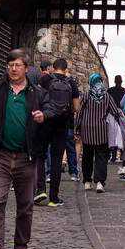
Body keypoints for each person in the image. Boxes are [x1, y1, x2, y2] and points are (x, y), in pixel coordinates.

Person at [0, 53, 45, 249]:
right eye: (10, 65)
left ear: (26, 68)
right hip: (0, 155)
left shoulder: (37, 93)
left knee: (25, 204)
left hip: (25, 157)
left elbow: (50, 117)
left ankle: (21, 245)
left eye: (17, 65)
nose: (13, 69)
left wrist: (42, 119)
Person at [35, 57, 80, 206]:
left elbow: (37, 98)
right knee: (56, 159)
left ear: (53, 68)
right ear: (66, 69)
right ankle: (54, 198)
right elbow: (76, 107)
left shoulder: (46, 79)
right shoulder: (71, 83)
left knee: (40, 156)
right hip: (62, 124)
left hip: (46, 122)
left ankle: (40, 189)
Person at [75, 72, 125, 192]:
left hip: (87, 130)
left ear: (91, 82)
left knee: (87, 156)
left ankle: (87, 181)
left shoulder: (86, 95)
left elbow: (80, 114)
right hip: (101, 130)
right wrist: (122, 124)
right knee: (101, 157)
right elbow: (115, 111)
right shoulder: (107, 96)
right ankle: (100, 183)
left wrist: (77, 129)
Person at [107, 74, 125, 159]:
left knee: (111, 133)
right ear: (121, 81)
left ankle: (112, 155)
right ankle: (122, 153)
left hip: (111, 113)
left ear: (114, 81)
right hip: (122, 113)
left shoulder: (110, 90)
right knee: (122, 133)